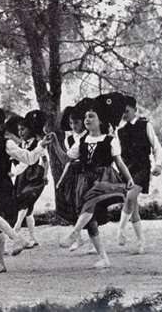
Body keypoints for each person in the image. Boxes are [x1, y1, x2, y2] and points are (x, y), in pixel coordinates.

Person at [50, 98, 134, 268]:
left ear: (100, 120)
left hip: (104, 178)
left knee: (92, 199)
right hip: (85, 181)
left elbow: (119, 162)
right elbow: (66, 158)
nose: (87, 120)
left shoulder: (110, 140)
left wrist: (129, 178)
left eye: (91, 117)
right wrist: (55, 144)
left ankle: (74, 233)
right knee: (91, 220)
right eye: (86, 117)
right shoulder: (82, 141)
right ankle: (104, 258)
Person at [0, 107, 53, 274]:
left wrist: (41, 145)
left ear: (1, 126)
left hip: (2, 187)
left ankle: (0, 263)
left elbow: (27, 158)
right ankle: (17, 238)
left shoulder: (7, 143)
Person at [116, 95, 162, 254]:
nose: (124, 114)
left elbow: (156, 145)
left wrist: (158, 164)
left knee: (130, 197)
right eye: (122, 112)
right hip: (127, 169)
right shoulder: (120, 130)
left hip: (142, 168)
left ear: (135, 110)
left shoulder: (145, 124)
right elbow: (116, 153)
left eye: (127, 111)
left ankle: (120, 230)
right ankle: (140, 242)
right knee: (132, 206)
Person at [10, 111, 49, 248]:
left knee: (26, 200)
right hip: (22, 177)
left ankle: (17, 228)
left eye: (23, 129)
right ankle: (33, 237)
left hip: (34, 175)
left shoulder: (38, 143)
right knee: (28, 207)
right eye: (19, 130)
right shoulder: (20, 146)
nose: (20, 132)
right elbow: (15, 161)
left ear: (31, 130)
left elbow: (45, 160)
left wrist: (45, 174)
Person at [55, 104, 89, 252]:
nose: (73, 126)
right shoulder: (70, 138)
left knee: (86, 207)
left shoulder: (88, 137)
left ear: (82, 122)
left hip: (85, 173)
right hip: (72, 174)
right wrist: (62, 179)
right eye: (71, 123)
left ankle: (92, 241)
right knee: (72, 206)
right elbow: (68, 163)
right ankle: (79, 239)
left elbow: (68, 158)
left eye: (76, 122)